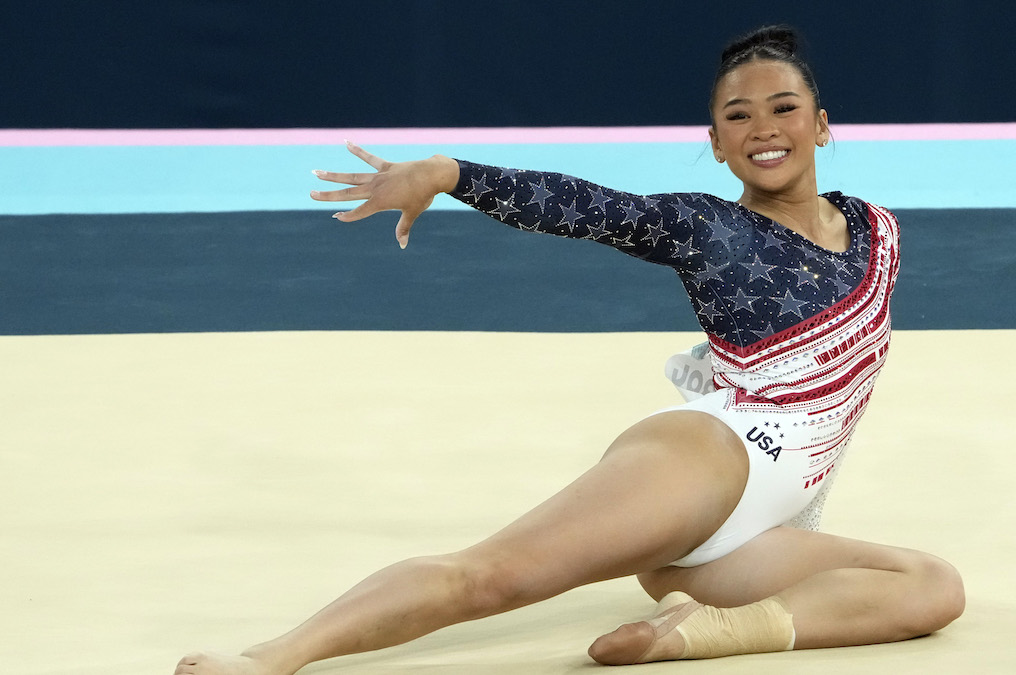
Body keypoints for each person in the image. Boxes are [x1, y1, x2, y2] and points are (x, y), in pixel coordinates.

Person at [174, 24, 964, 675]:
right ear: (716, 145)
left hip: (751, 534)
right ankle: (274, 657)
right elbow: (589, 207)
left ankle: (694, 631)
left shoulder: (878, 229)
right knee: (493, 576)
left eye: (784, 107)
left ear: (822, 124)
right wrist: (452, 173)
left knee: (932, 588)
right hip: (714, 464)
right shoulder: (707, 227)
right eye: (737, 116)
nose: (764, 128)